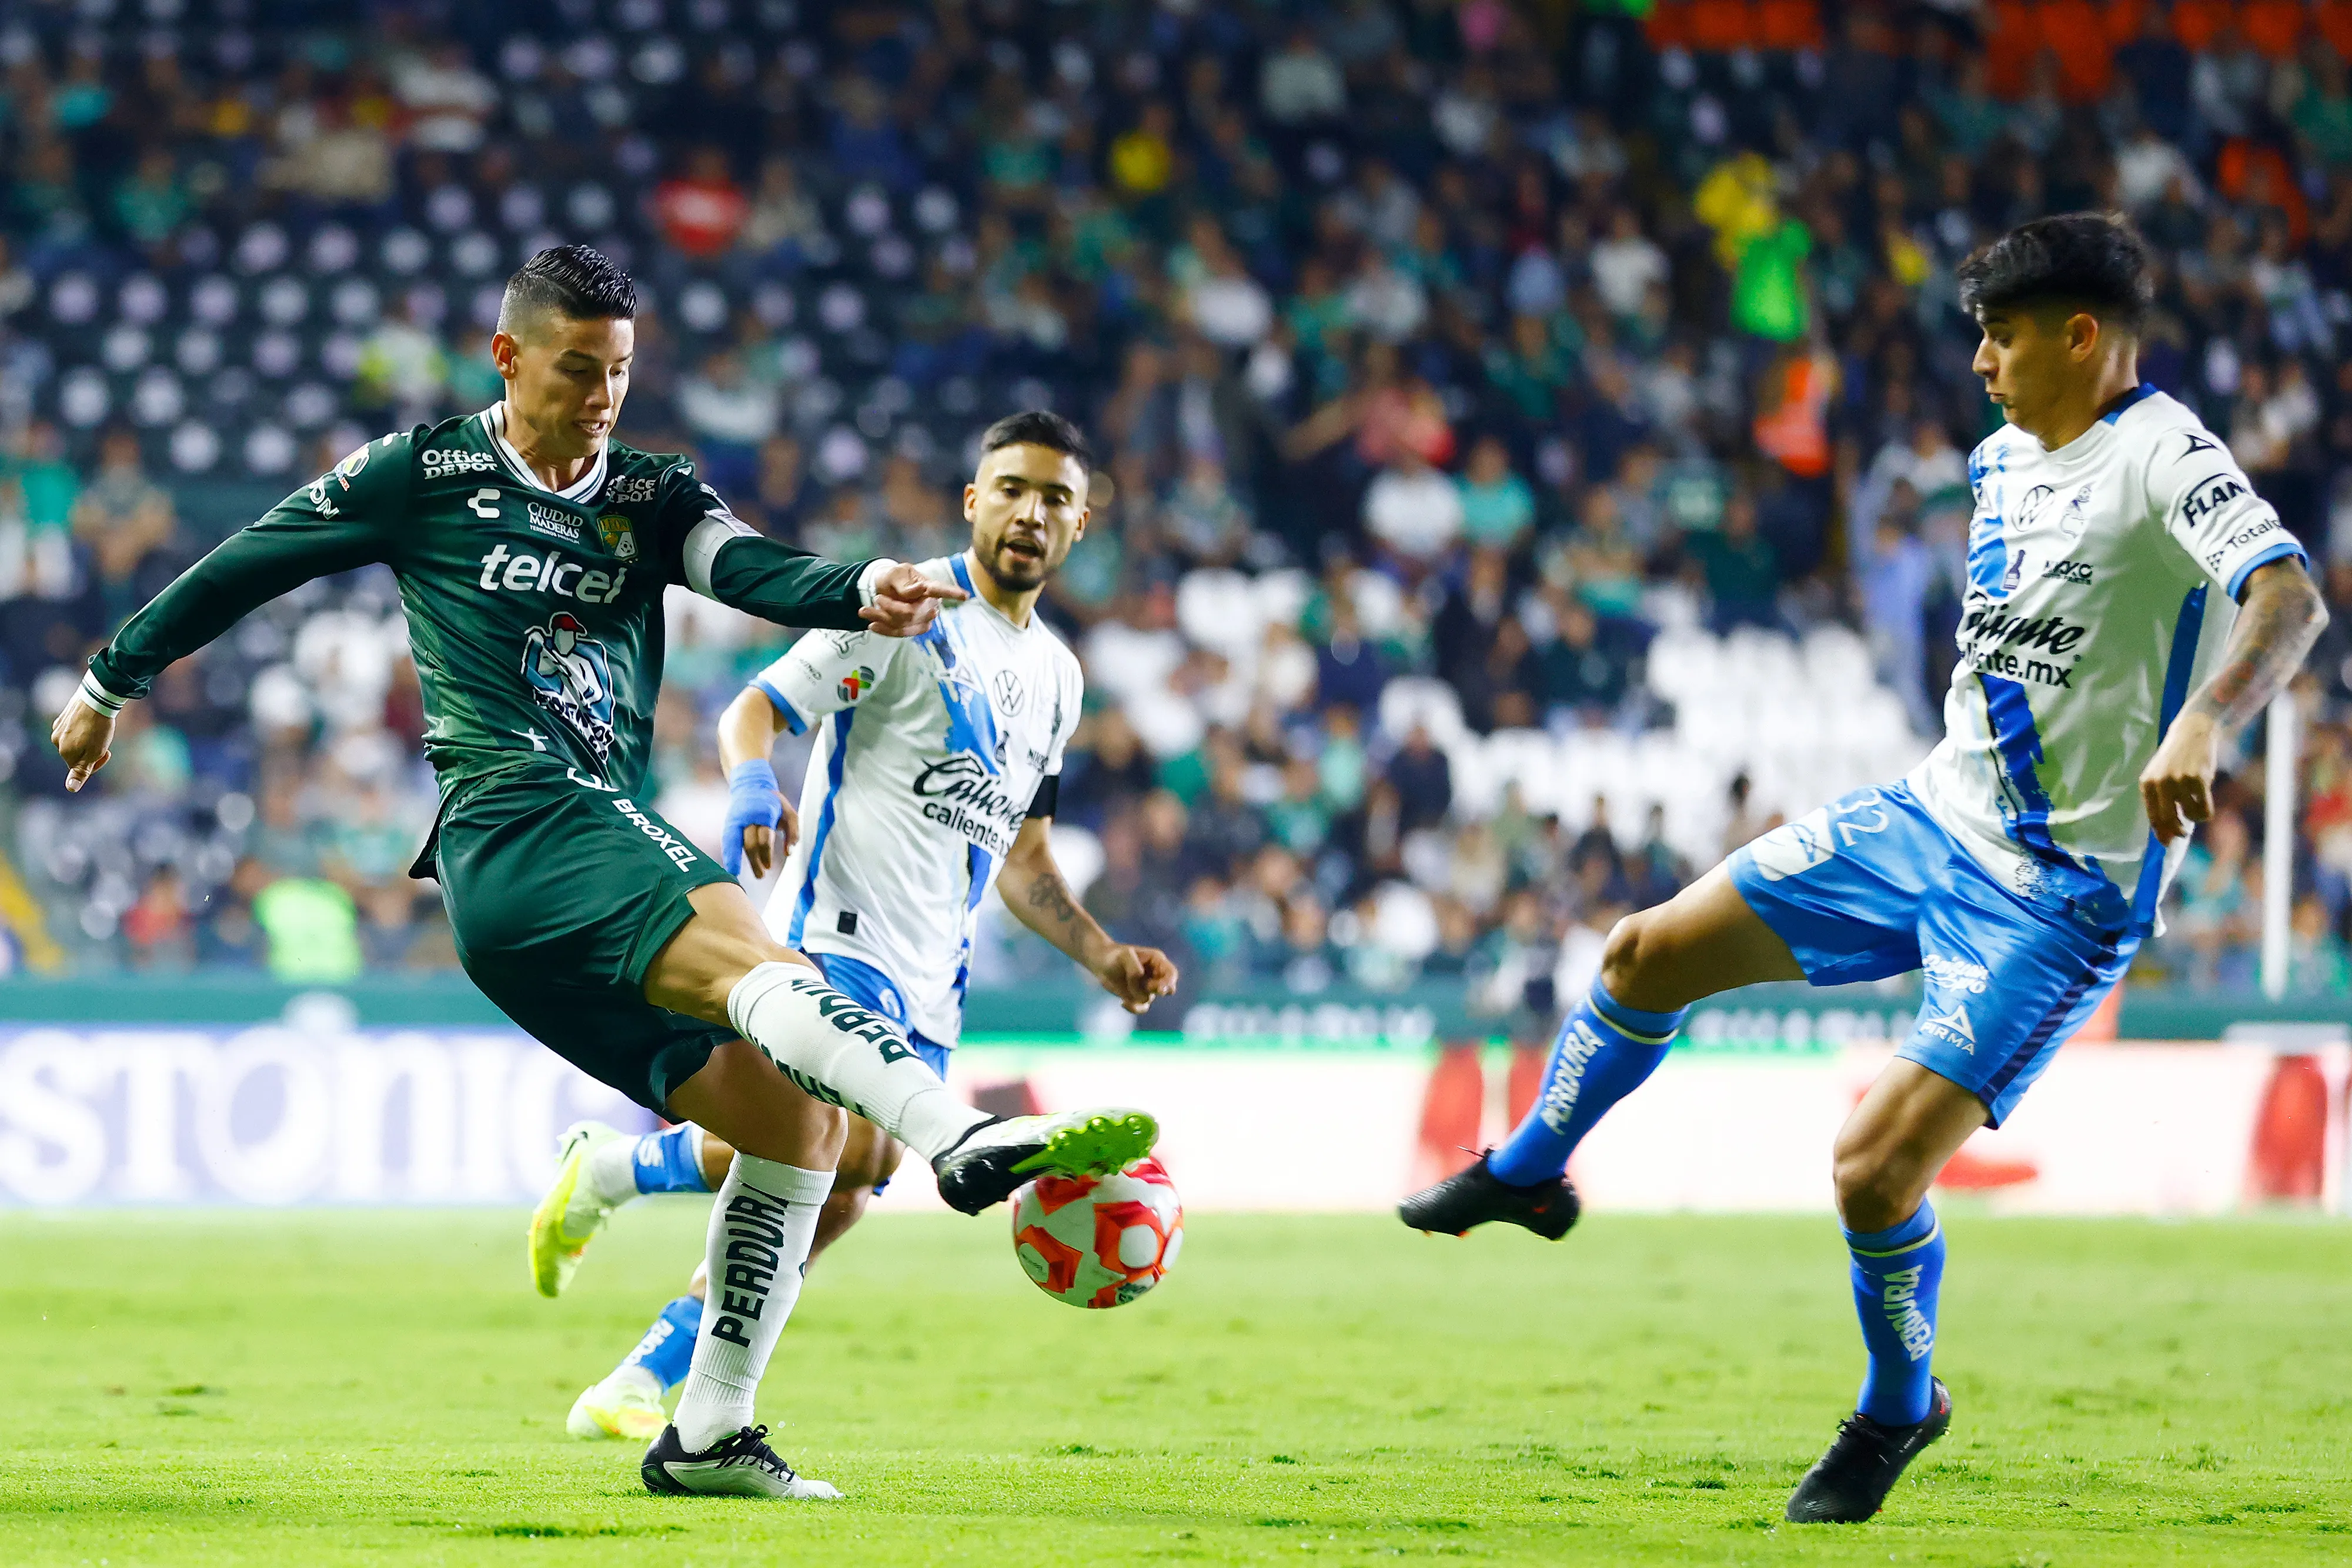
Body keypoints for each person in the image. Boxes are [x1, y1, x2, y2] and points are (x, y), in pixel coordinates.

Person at [48, 248, 1162, 1502]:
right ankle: (960, 1135)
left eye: (620, 372)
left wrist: (856, 586)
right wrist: (109, 682)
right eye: (578, 369)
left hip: (579, 869)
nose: (601, 397)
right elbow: (252, 559)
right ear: (508, 357)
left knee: (796, 1125)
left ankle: (708, 1434)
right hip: (516, 819)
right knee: (760, 962)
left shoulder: (651, 492)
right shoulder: (424, 474)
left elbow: (746, 567)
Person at [1398, 215, 2327, 1523]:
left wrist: (2205, 719)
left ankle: (1900, 1405)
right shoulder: (1997, 460)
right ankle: (1532, 1167)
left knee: (1870, 1170)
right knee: (1641, 950)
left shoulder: (2165, 455)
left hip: (2054, 897)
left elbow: (2287, 598)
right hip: (1927, 820)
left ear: (2080, 337)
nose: (1981, 364)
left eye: (2001, 338)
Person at [551, 410, 1181, 1444]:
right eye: (1012, 489)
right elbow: (753, 710)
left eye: (1055, 499)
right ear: (974, 501)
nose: (1030, 512)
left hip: (936, 977)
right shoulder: (907, 608)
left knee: (843, 1187)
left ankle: (635, 1318)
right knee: (849, 1144)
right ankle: (665, 1336)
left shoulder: (1059, 679)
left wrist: (1103, 953)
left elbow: (1025, 860)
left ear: (1081, 525)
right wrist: (754, 785)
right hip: (836, 934)